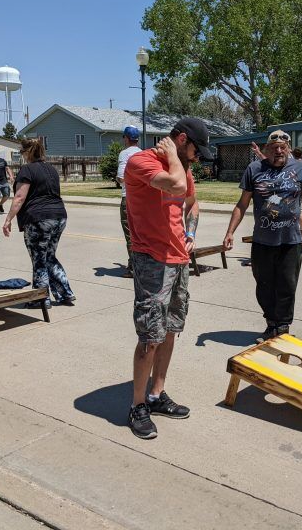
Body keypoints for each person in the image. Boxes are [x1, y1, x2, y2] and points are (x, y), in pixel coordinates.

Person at [123, 117, 211, 439]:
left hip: (179, 260)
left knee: (171, 328)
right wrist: (175, 157)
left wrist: (190, 232)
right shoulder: (140, 162)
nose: (197, 157)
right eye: (195, 150)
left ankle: (156, 395)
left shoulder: (183, 167)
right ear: (182, 139)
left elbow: (191, 203)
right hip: (151, 261)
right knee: (150, 336)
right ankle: (137, 406)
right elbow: (174, 185)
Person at [223, 129, 302, 342]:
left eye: (283, 147)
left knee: (287, 285)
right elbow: (242, 204)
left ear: (288, 149)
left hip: (291, 240)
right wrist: (230, 232)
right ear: (266, 149)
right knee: (264, 285)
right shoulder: (254, 169)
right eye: (274, 147)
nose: (278, 151)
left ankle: (283, 327)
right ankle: (271, 324)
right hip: (262, 241)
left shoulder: (301, 168)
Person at [2, 138, 75, 308]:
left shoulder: (27, 170)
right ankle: (65, 293)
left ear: (27, 153)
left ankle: (41, 298)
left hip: (39, 220)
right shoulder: (51, 169)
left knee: (39, 259)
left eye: (21, 152)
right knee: (48, 256)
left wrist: (8, 219)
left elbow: (19, 197)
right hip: (59, 217)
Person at [116, 126, 143, 278]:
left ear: (126, 138)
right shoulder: (143, 153)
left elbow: (121, 177)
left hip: (129, 198)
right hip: (143, 200)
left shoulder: (124, 154)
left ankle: (134, 268)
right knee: (142, 234)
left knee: (130, 235)